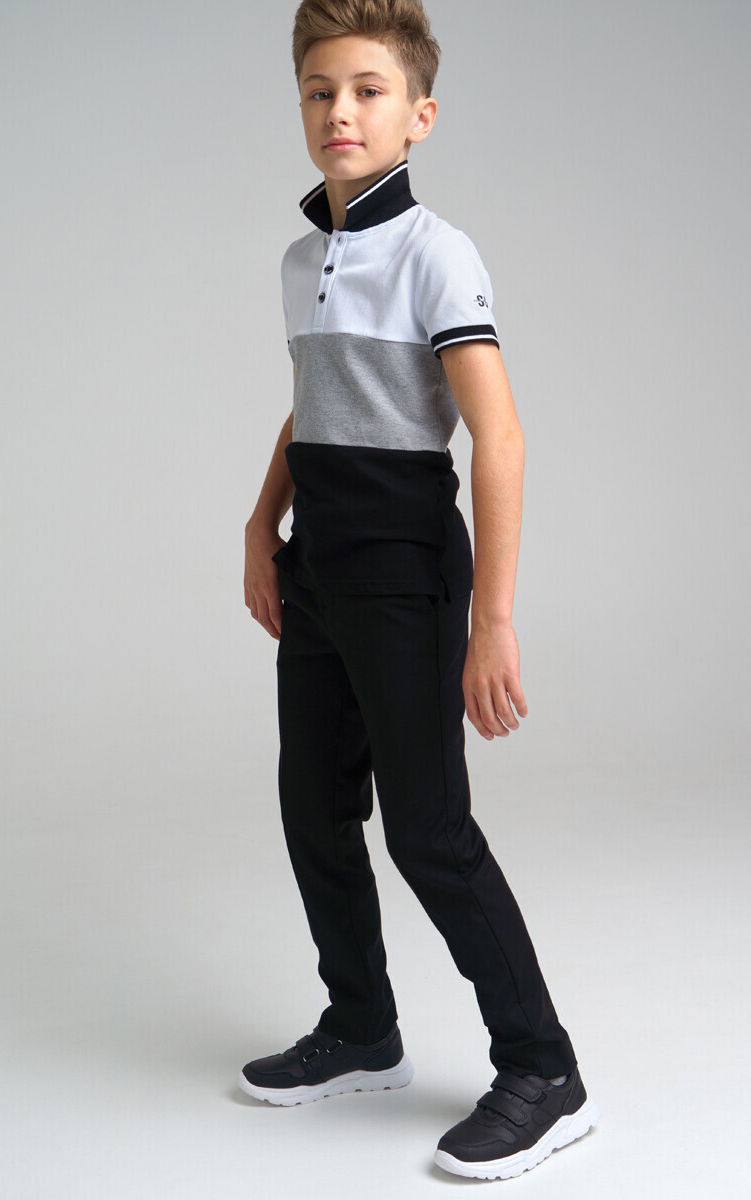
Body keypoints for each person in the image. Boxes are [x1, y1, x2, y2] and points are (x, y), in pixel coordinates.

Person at [238, 0, 599, 1181]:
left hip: (405, 577)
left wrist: (491, 618)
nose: (339, 111)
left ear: (419, 116)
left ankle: (545, 1070)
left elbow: (500, 437)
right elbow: (315, 401)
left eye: (368, 90)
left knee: (429, 833)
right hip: (319, 568)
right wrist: (260, 524)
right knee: (312, 809)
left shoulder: (436, 253)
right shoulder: (303, 259)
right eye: (319, 91)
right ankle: (361, 1028)